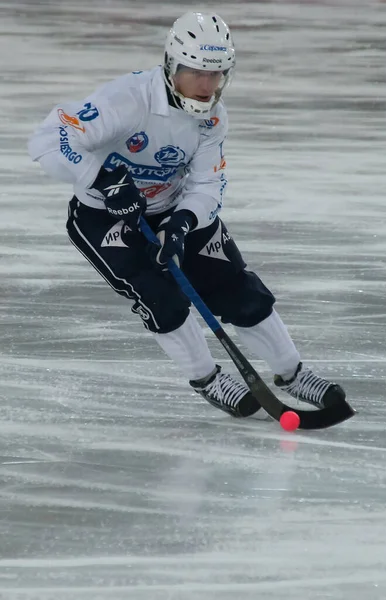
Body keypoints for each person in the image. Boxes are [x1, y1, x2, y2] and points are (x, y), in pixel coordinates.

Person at [28, 11, 345, 419]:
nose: (207, 85)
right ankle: (207, 378)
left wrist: (183, 223)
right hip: (103, 217)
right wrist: (103, 177)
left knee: (238, 290)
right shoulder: (129, 99)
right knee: (163, 301)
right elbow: (49, 140)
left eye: (217, 74)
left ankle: (293, 373)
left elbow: (207, 184)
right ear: (171, 65)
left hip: (174, 209)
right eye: (196, 72)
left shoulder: (213, 117)